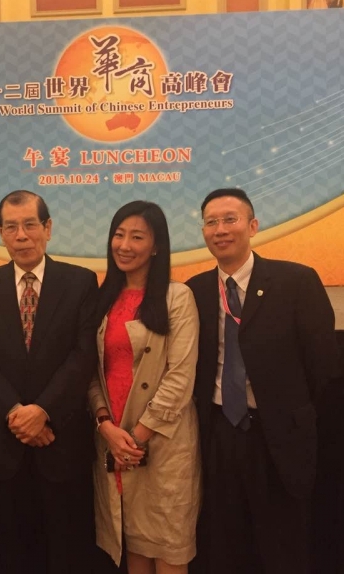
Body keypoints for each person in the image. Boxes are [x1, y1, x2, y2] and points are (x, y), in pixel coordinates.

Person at [186, 188, 338, 574]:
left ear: (253, 226)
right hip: (218, 434)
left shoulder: (296, 282)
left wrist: (291, 414)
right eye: (211, 222)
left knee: (282, 546)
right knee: (224, 544)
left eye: (230, 219)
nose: (220, 229)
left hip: (278, 437)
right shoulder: (195, 290)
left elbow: (321, 366)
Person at [0, 190, 98, 574]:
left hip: (61, 440)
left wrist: (43, 411)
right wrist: (16, 414)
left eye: (29, 225)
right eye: (11, 227)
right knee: (11, 550)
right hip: (5, 444)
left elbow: (82, 356)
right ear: (0, 233)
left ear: (48, 228)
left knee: (66, 550)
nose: (21, 235)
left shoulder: (80, 281)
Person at [89, 201, 200, 573]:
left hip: (161, 442)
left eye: (137, 237)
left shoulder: (177, 297)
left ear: (156, 246)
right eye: (118, 235)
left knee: (167, 548)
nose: (124, 245)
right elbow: (92, 372)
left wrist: (135, 439)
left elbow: (180, 378)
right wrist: (105, 426)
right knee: (132, 545)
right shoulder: (102, 299)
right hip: (113, 441)